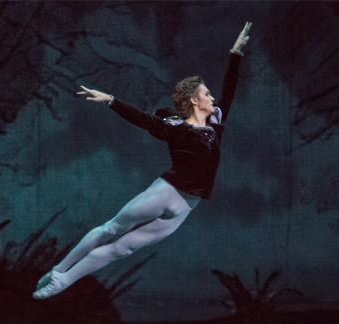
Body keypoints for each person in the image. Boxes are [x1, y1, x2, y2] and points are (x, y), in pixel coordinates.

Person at [33, 22, 252, 300]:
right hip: (166, 192)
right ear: (194, 101)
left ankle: (64, 282)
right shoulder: (175, 127)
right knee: (112, 229)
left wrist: (236, 52)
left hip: (187, 206)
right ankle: (59, 272)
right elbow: (142, 119)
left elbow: (229, 90)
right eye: (206, 94)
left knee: (123, 249)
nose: (212, 97)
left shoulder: (215, 124)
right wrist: (111, 100)